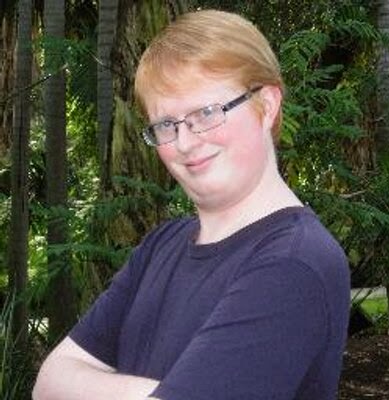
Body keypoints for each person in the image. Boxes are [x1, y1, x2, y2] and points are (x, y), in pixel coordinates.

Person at [33, 9, 350, 400]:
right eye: (166, 125)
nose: (184, 142)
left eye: (206, 113)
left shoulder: (294, 262)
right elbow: (48, 384)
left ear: (267, 106)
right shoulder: (161, 245)